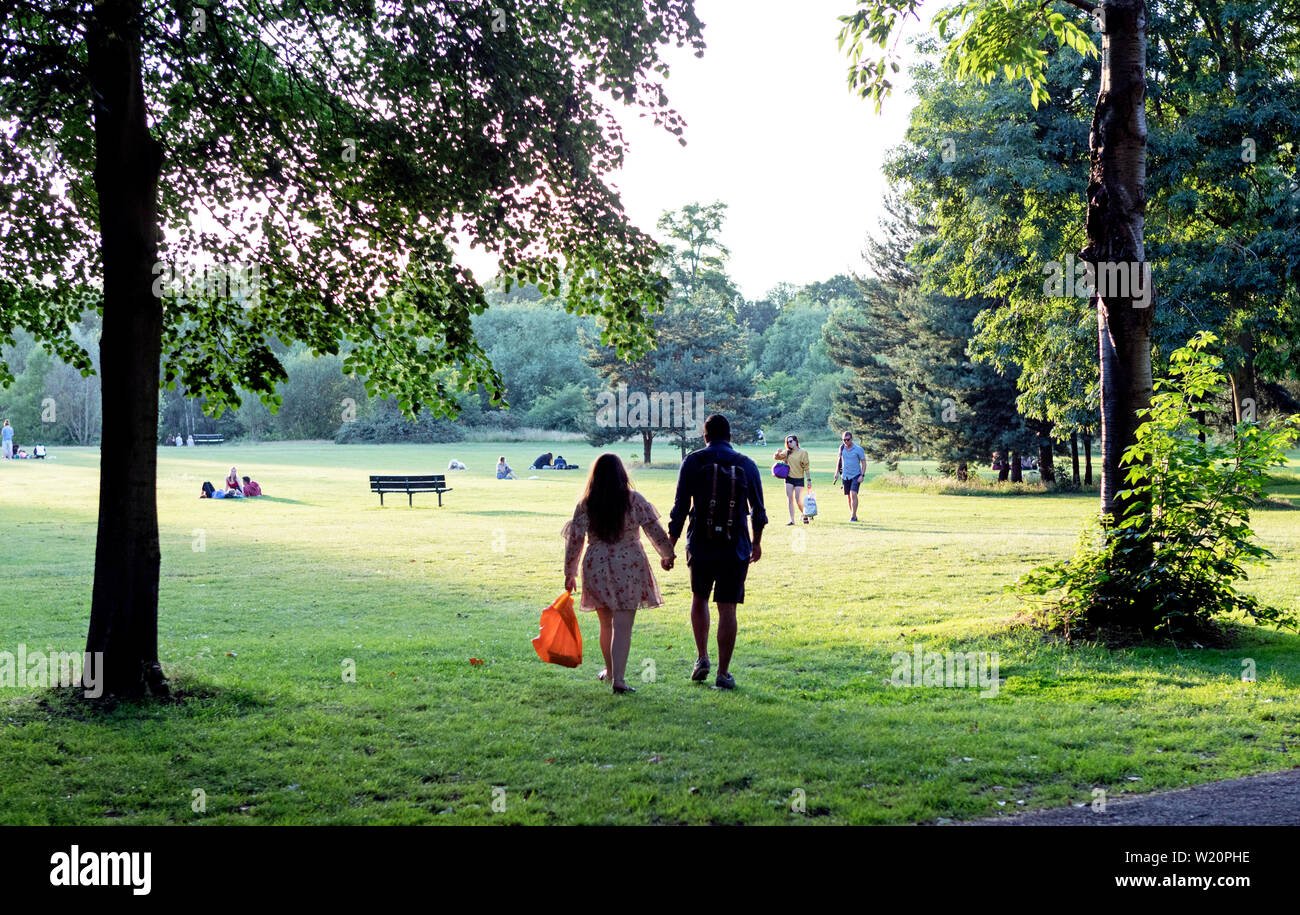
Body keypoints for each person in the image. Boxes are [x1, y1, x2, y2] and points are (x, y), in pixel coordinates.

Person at [668, 413, 766, 690]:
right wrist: (756, 542)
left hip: (701, 543)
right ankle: (723, 674)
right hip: (735, 546)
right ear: (730, 437)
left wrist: (670, 546)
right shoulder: (746, 464)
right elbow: (759, 511)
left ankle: (702, 658)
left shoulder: (694, 461)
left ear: (705, 436)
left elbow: (680, 508)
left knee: (699, 598)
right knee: (728, 608)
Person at [563, 454, 676, 694]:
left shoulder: (586, 504)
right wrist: (668, 554)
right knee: (623, 625)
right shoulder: (634, 500)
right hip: (629, 564)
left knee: (606, 623)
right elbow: (654, 531)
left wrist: (569, 572)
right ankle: (619, 680)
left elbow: (575, 540)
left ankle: (611, 672)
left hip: (597, 565)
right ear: (621, 475)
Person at [774, 434, 812, 524]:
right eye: (788, 442)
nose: (789, 443)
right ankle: (792, 520)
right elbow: (777, 457)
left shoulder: (803, 452)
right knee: (790, 499)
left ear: (796, 441)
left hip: (799, 479)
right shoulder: (787, 452)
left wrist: (809, 480)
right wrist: (777, 452)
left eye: (791, 441)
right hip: (789, 478)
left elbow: (806, 467)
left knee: (798, 500)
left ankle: (804, 514)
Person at [833, 431, 868, 522]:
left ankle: (853, 515)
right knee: (849, 496)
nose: (846, 441)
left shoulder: (858, 449)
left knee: (853, 494)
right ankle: (853, 515)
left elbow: (864, 463)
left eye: (847, 439)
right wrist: (836, 473)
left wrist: (862, 475)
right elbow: (839, 460)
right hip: (845, 476)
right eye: (844, 440)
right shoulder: (841, 448)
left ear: (852, 439)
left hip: (856, 475)